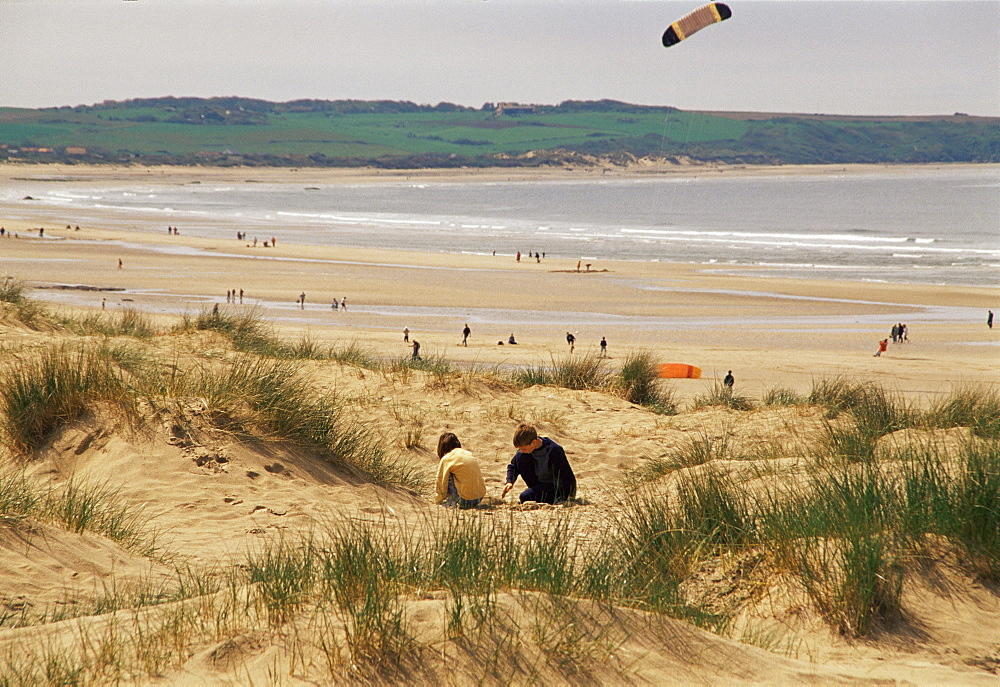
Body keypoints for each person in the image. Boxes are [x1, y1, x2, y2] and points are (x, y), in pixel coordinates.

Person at [501, 423, 576, 504]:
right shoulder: (523, 453)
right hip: (538, 485)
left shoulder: (553, 450)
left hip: (556, 487)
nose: (521, 451)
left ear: (533, 442)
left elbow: (567, 476)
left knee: (525, 497)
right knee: (520, 457)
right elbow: (513, 466)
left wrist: (569, 497)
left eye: (523, 448)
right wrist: (509, 482)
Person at [435, 433, 487, 509]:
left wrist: (438, 500)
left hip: (464, 500)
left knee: (446, 474)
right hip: (479, 497)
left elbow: (441, 482)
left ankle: (452, 501)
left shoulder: (447, 458)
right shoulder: (468, 454)